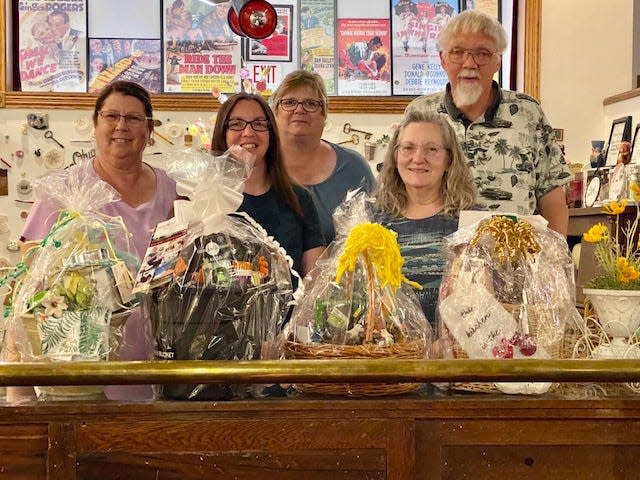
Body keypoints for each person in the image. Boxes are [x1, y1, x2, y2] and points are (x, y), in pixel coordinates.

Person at [13, 81, 179, 401]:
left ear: (149, 130)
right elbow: (29, 276)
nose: (121, 126)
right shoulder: (64, 189)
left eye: (133, 118)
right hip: (82, 360)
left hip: (158, 358)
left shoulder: (171, 189)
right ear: (95, 125)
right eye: (111, 116)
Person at [405, 9, 571, 236]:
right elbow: (399, 187)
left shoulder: (527, 112)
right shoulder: (421, 112)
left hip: (515, 259)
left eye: (482, 53)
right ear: (442, 59)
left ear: (497, 62)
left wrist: (555, 259)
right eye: (458, 52)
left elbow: (552, 193)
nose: (470, 63)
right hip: (437, 257)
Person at [374, 110, 476, 327]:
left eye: (431, 149)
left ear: (449, 160)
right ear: (395, 155)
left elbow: (482, 300)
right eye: (408, 148)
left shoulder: (470, 221)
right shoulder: (374, 220)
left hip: (453, 354)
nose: (418, 158)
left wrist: (449, 341)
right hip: (392, 352)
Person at [210, 92, 326, 279]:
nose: (248, 132)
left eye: (259, 124)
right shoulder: (203, 198)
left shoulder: (299, 199)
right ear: (222, 133)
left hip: (291, 308)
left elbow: (317, 282)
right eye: (236, 123)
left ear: (271, 133)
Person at [270, 70, 376, 244]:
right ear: (275, 113)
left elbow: (377, 231)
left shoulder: (354, 168)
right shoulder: (258, 167)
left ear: (324, 114)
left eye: (310, 104)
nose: (299, 110)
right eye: (289, 103)